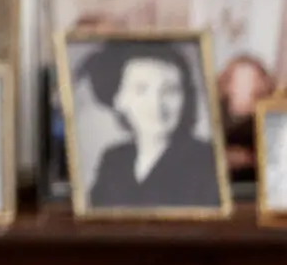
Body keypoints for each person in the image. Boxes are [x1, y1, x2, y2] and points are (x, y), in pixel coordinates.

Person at [83, 41, 223, 209]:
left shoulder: (207, 159)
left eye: (170, 90)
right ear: (118, 99)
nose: (156, 104)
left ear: (186, 97)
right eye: (141, 90)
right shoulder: (113, 160)